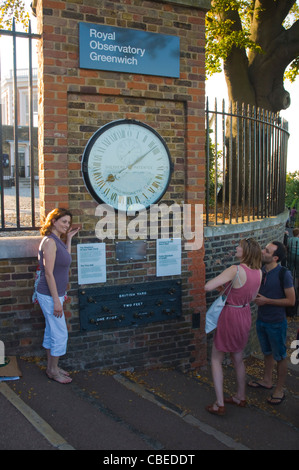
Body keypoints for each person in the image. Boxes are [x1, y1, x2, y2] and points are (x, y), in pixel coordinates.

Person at [204, 238, 262, 416]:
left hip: (230, 314)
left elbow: (207, 286)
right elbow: (251, 297)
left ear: (245, 251)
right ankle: (240, 396)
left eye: (239, 246)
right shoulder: (259, 272)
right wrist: (228, 291)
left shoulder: (235, 270)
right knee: (238, 357)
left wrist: (222, 288)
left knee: (216, 358)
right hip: (244, 313)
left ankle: (219, 403)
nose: (236, 248)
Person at [248, 241, 296, 405]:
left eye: (266, 251)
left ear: (275, 257)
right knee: (267, 352)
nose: (262, 251)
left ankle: (279, 389)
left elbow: (291, 301)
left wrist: (267, 300)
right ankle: (267, 380)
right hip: (262, 320)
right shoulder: (261, 271)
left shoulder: (284, 274)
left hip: (276, 322)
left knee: (280, 356)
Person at [36, 208, 80, 384]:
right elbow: (48, 274)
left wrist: (68, 239)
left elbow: (65, 260)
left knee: (51, 330)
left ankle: (51, 368)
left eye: (68, 222)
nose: (66, 225)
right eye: (63, 222)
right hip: (49, 295)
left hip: (56, 294)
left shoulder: (58, 241)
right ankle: (54, 371)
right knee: (60, 333)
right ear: (53, 221)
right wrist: (56, 301)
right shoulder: (50, 242)